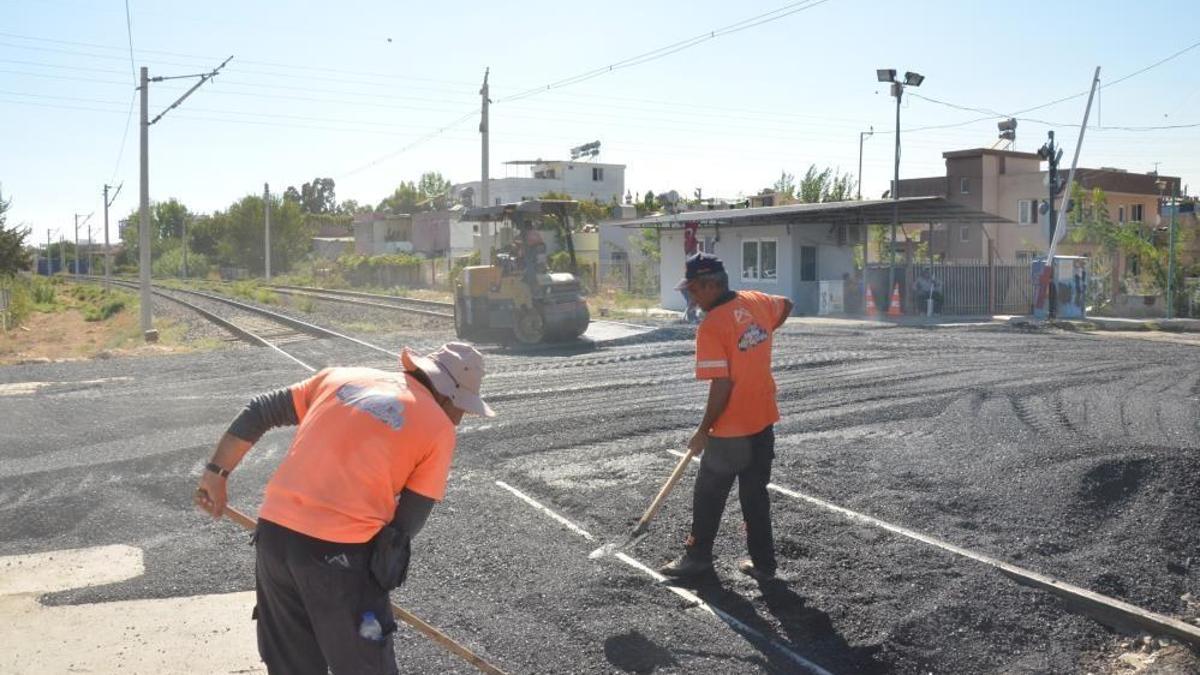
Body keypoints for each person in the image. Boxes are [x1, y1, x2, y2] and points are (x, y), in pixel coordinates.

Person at [194, 343, 494, 675]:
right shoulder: (438, 428)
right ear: (447, 395)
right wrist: (370, 585)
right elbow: (407, 524)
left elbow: (259, 410)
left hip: (275, 541)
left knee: (292, 667)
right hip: (341, 558)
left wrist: (216, 474)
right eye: (463, 408)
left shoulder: (339, 378)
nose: (461, 418)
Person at [660, 252, 793, 581]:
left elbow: (721, 385)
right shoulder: (756, 300)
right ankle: (764, 564)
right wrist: (764, 333)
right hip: (762, 419)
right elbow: (786, 304)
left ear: (709, 285)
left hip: (731, 428)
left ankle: (697, 558)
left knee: (708, 494)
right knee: (754, 494)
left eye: (692, 290)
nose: (690, 297)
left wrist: (703, 429)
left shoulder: (712, 326)